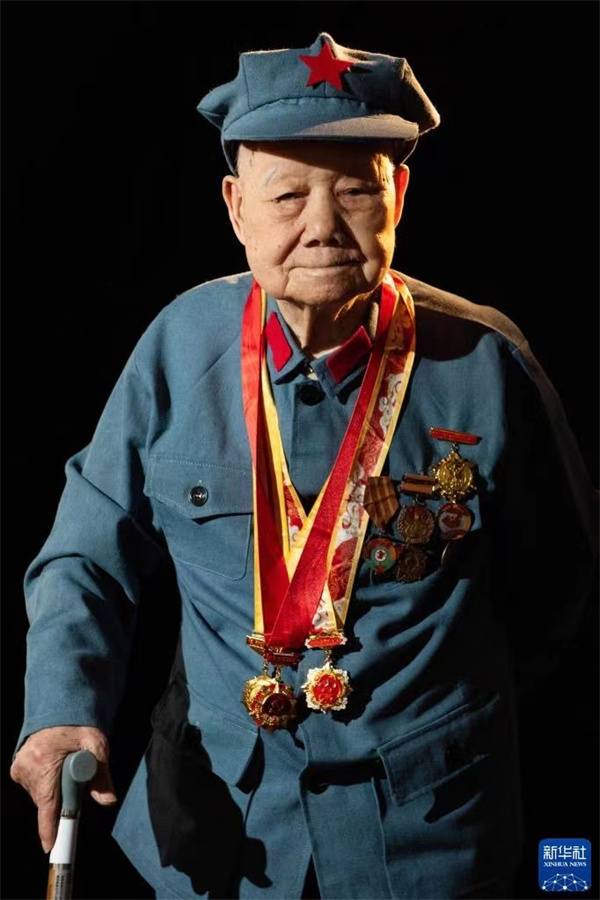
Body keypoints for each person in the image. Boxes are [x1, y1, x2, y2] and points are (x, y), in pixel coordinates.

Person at [10, 31, 598, 900]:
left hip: (430, 839)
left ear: (398, 197)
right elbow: (87, 555)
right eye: (287, 194)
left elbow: (557, 583)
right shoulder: (179, 348)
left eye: (355, 191)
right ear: (235, 207)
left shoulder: (488, 364)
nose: (321, 227)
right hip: (217, 834)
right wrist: (61, 710)